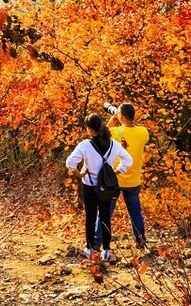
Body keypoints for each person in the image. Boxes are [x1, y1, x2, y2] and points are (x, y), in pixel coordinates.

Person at [65, 113, 133, 262]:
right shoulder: (114, 144)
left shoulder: (85, 145)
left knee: (90, 217)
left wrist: (79, 174)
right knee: (105, 217)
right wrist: (115, 172)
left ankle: (89, 249)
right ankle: (106, 250)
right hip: (107, 187)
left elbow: (70, 163)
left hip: (90, 185)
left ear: (89, 129)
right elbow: (128, 161)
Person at [109, 102, 150, 249]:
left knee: (106, 212)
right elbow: (137, 131)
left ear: (120, 116)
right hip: (133, 179)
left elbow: (102, 136)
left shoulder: (116, 132)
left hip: (116, 178)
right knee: (135, 212)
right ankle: (140, 240)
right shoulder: (143, 132)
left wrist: (112, 121)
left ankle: (97, 242)